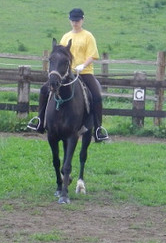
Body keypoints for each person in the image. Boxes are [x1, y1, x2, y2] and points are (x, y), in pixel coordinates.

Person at [29, 8, 110, 142]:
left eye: (77, 20)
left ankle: (98, 129)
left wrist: (83, 65)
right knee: (44, 89)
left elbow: (93, 55)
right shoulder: (66, 37)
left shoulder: (88, 36)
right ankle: (40, 120)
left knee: (96, 96)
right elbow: (60, 55)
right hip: (66, 74)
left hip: (84, 72)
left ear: (82, 20)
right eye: (73, 20)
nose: (75, 23)